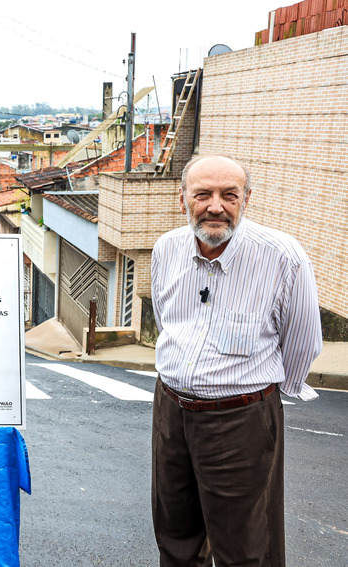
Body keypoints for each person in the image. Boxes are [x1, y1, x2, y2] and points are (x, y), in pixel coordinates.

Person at [150, 154, 322, 566]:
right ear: (182, 199)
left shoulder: (282, 257)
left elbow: (302, 340)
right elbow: (166, 321)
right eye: (203, 194)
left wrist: (259, 401)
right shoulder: (166, 249)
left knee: (246, 549)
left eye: (229, 195)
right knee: (175, 538)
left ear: (247, 198)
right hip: (171, 412)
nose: (215, 206)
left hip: (240, 420)